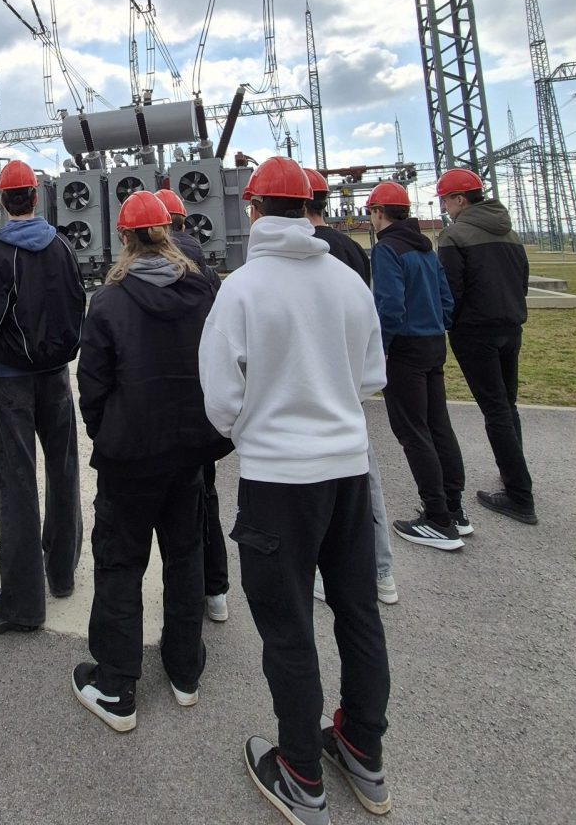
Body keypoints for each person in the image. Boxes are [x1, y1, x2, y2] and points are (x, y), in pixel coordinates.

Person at [200, 157, 391, 824]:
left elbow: (220, 401)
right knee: (358, 613)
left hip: (278, 483)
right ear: (310, 208)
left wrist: (259, 429)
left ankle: (301, 773)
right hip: (348, 473)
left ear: (252, 209)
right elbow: (372, 376)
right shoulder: (347, 281)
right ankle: (363, 748)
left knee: (288, 629)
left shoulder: (242, 290)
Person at [73, 191, 229, 732]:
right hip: (187, 454)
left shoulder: (108, 302)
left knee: (120, 562)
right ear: (169, 232)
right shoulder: (203, 293)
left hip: (129, 459)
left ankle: (116, 685)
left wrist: (107, 433)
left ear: (124, 238)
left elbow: (92, 385)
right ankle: (186, 671)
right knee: (185, 557)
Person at [0, 159, 85, 635]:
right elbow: (78, 304)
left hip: (10, 380)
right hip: (55, 377)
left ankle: (22, 602)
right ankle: (62, 573)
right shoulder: (61, 246)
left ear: (2, 200)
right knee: (63, 471)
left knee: (15, 484)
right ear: (35, 196)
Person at [304, 170, 397, 605]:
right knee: (362, 477)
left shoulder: (305, 253)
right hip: (348, 380)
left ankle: (332, 573)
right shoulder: (354, 250)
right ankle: (381, 572)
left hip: (312, 381)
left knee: (316, 486)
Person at [368, 181, 469, 551]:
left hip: (404, 349)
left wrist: (381, 348)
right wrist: (436, 324)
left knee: (413, 432)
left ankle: (437, 519)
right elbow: (446, 299)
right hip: (433, 343)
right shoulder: (425, 247)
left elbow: (389, 306)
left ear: (379, 212)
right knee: (438, 425)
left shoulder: (387, 249)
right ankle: (455, 509)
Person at [435, 168, 536, 525]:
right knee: (507, 406)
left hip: (475, 333)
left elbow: (451, 290)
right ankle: (514, 475)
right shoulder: (509, 232)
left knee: (495, 410)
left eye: (446, 200)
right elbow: (522, 279)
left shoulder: (454, 235)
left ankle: (519, 496)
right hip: (511, 327)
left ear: (460, 199)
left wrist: (450, 323)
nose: (445, 207)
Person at [155, 187, 229, 623]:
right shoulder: (209, 272)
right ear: (185, 222)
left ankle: (181, 597)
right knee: (207, 493)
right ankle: (215, 589)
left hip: (162, 405)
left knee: (170, 506)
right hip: (205, 404)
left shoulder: (149, 268)